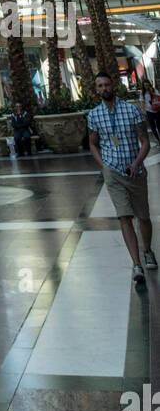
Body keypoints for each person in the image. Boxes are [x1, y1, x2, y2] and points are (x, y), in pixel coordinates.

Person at [87, 71, 156, 286]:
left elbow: (144, 140)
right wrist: (103, 164)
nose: (104, 89)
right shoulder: (94, 115)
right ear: (96, 89)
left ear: (113, 86)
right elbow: (93, 142)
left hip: (135, 171)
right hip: (113, 172)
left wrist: (137, 163)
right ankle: (136, 264)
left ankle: (147, 250)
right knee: (124, 216)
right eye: (100, 86)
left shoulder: (131, 110)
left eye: (107, 84)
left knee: (143, 216)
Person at [141, 79, 160, 145]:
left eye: (147, 85)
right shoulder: (142, 92)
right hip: (149, 111)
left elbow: (158, 97)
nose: (147, 86)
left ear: (149, 84)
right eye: (145, 85)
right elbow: (142, 102)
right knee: (153, 127)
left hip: (157, 110)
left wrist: (152, 92)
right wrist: (143, 111)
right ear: (143, 86)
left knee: (159, 125)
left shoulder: (154, 90)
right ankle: (158, 139)